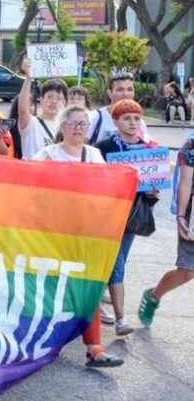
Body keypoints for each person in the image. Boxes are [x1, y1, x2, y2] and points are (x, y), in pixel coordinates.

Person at [31, 104, 121, 368]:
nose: (79, 128)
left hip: (87, 234)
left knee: (88, 286)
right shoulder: (48, 155)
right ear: (62, 127)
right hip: (53, 234)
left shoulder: (94, 155)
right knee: (50, 287)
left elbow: (108, 190)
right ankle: (39, 341)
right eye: (73, 123)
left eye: (83, 123)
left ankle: (95, 348)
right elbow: (31, 191)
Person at [94, 99, 158, 336]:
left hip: (131, 217)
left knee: (117, 263)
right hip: (107, 215)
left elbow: (153, 189)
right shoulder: (104, 147)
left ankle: (95, 306)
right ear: (115, 121)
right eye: (127, 118)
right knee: (116, 265)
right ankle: (121, 318)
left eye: (136, 118)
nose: (132, 123)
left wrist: (152, 193)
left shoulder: (149, 149)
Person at [139, 127, 194, 328]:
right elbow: (185, 183)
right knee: (187, 270)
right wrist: (181, 215)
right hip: (192, 214)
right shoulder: (191, 144)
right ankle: (154, 296)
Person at [16, 59, 68, 160]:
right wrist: (28, 78)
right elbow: (22, 110)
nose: (54, 101)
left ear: (64, 102)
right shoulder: (31, 123)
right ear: (41, 99)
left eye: (58, 98)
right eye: (49, 97)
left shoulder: (66, 128)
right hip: (32, 174)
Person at [87, 69, 149, 146]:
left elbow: (146, 147)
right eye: (120, 89)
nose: (125, 94)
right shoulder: (95, 117)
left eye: (130, 89)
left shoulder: (140, 123)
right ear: (110, 93)